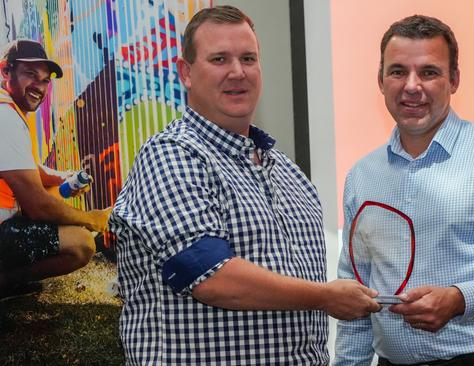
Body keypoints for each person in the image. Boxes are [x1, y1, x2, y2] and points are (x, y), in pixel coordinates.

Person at [109, 5, 380, 365]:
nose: (237, 72)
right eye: (219, 59)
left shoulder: (289, 173)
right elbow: (211, 277)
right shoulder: (171, 156)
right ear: (186, 73)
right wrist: (325, 296)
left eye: (248, 58)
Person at [334, 15, 474, 366]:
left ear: (453, 80)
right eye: (398, 72)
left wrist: (460, 299)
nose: (412, 86)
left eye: (429, 72)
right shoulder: (362, 177)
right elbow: (357, 293)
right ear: (380, 81)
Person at [0, 39, 111, 298]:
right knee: (81, 244)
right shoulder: (5, 117)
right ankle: (5, 282)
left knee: (51, 191)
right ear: (6, 71)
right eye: (31, 75)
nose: (39, 87)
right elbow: (38, 207)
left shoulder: (7, 107)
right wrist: (92, 218)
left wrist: (60, 177)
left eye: (45, 80)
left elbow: (18, 163)